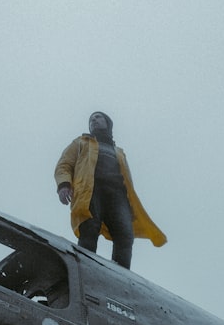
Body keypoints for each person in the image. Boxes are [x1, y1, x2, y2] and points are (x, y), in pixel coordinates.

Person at [54, 111, 166, 269]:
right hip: (91, 191)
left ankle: (120, 275)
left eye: (98, 117)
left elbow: (126, 179)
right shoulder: (80, 142)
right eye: (91, 119)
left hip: (118, 196)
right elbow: (64, 165)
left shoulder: (119, 152)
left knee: (125, 235)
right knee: (89, 229)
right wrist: (64, 185)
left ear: (108, 122)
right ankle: (85, 269)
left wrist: (130, 204)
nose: (94, 120)